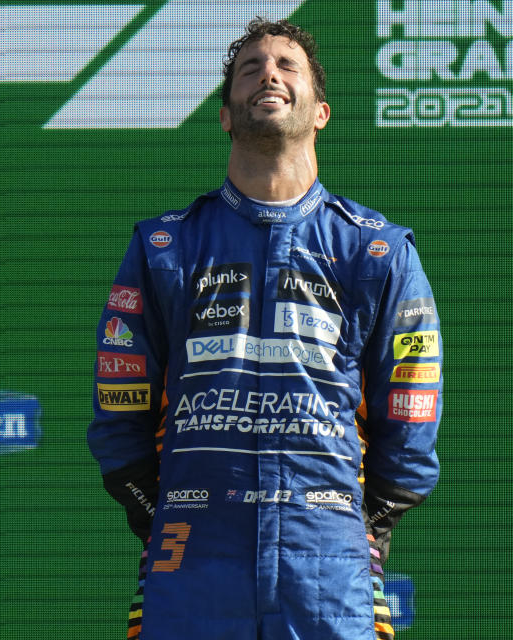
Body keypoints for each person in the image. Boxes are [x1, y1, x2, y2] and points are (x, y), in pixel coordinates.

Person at [88, 17, 441, 640]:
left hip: (329, 568)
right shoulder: (164, 246)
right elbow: (120, 417)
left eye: (286, 66)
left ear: (321, 111)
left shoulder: (377, 251)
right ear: (225, 115)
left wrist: (361, 525)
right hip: (189, 561)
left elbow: (412, 413)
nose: (268, 74)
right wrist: (168, 517)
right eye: (250, 68)